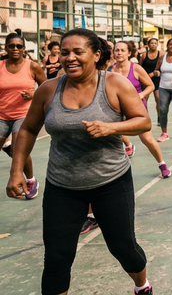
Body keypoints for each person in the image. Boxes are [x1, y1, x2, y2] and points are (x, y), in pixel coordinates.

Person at [6, 29, 154, 295]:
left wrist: (111, 127)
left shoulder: (115, 84)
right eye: (64, 52)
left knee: (123, 248)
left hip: (110, 182)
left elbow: (143, 121)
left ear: (96, 55)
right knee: (57, 257)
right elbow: (27, 129)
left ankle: (142, 285)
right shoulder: (49, 89)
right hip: (62, 185)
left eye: (78, 52)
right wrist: (17, 171)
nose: (69, 58)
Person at [110, 41, 171, 178]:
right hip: (118, 109)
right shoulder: (111, 70)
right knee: (113, 132)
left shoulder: (136, 68)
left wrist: (141, 95)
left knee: (147, 139)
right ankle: (127, 147)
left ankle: (162, 164)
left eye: (122, 50)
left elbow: (150, 86)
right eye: (116, 50)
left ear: (129, 53)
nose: (119, 53)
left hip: (137, 109)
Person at [0, 32, 47, 200]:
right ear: (5, 48)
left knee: (18, 148)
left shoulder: (32, 67)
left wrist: (34, 93)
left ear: (24, 49)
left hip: (24, 115)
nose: (15, 49)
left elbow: (46, 86)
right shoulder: (0, 66)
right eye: (11, 46)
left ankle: (31, 180)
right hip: (2, 115)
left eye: (19, 46)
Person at [139, 38, 162, 122]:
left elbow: (163, 67)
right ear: (148, 45)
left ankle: (160, 118)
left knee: (158, 99)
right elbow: (139, 67)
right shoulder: (144, 55)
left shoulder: (161, 54)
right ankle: (144, 118)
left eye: (155, 43)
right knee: (144, 99)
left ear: (157, 44)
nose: (153, 45)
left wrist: (158, 72)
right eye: (152, 43)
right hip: (146, 80)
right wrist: (143, 76)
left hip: (156, 80)